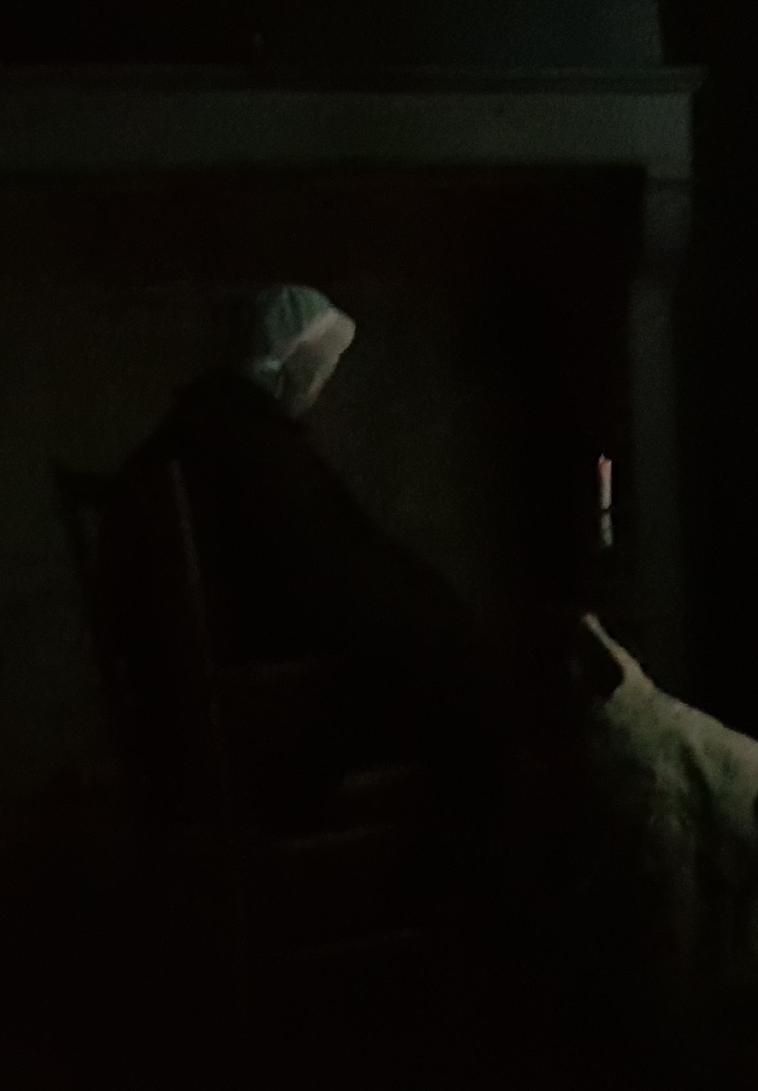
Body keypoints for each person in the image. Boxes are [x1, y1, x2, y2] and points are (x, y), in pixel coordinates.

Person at [116, 284, 508, 826]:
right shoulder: (253, 446)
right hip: (262, 711)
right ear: (291, 363)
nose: (322, 387)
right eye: (319, 368)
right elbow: (329, 578)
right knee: (465, 678)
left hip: (203, 699)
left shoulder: (200, 428)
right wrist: (431, 607)